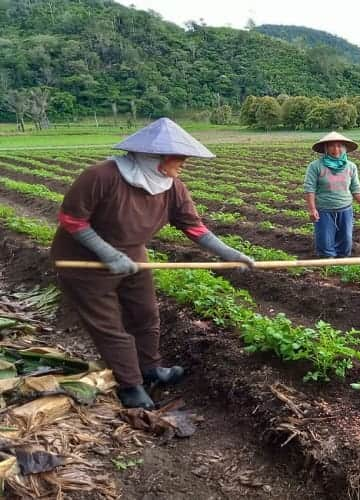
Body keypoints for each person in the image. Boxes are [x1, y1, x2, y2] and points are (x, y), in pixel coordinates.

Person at [50, 118, 256, 410]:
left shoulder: (172, 187)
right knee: (109, 325)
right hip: (83, 260)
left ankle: (150, 369)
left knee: (145, 313)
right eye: (179, 157)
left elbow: (193, 227)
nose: (184, 163)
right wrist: (107, 254)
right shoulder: (101, 176)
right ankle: (130, 384)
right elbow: (72, 220)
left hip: (132, 253)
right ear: (153, 157)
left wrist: (228, 253)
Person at [304, 131, 360, 257]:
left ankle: (342, 266)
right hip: (324, 210)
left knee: (345, 242)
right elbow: (310, 189)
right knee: (325, 243)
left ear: (345, 148)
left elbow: (356, 188)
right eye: (332, 146)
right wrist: (312, 209)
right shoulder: (315, 166)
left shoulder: (351, 167)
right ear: (326, 148)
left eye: (340, 145)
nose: (336, 149)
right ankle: (327, 269)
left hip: (345, 209)